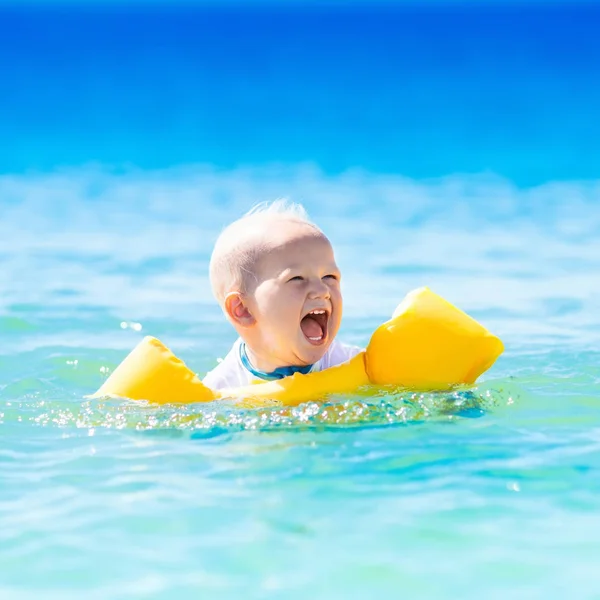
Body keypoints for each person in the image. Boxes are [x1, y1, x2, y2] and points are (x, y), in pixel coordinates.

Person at [203, 200, 362, 390]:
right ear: (243, 309)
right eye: (297, 278)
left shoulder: (354, 364)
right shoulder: (222, 389)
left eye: (329, 276)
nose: (322, 291)